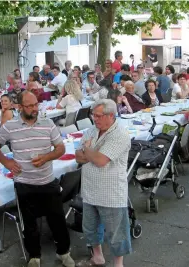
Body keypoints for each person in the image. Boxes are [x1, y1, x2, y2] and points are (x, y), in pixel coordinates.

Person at [0, 91, 75, 267]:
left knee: (57, 220)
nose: (35, 109)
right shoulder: (11, 126)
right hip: (24, 183)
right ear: (19, 107)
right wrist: (6, 161)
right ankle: (34, 256)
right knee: (29, 224)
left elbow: (60, 148)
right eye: (30, 106)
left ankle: (64, 253)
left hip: (47, 181)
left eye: (36, 104)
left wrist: (46, 158)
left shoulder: (47, 123)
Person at [75, 99, 132, 267]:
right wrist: (90, 152)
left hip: (111, 191)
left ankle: (118, 264)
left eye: (99, 116)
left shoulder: (119, 134)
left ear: (111, 116)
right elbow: (78, 157)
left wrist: (87, 149)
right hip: (90, 189)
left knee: (116, 232)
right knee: (90, 228)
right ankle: (97, 257)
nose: (95, 119)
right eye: (93, 115)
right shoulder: (92, 130)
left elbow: (100, 160)